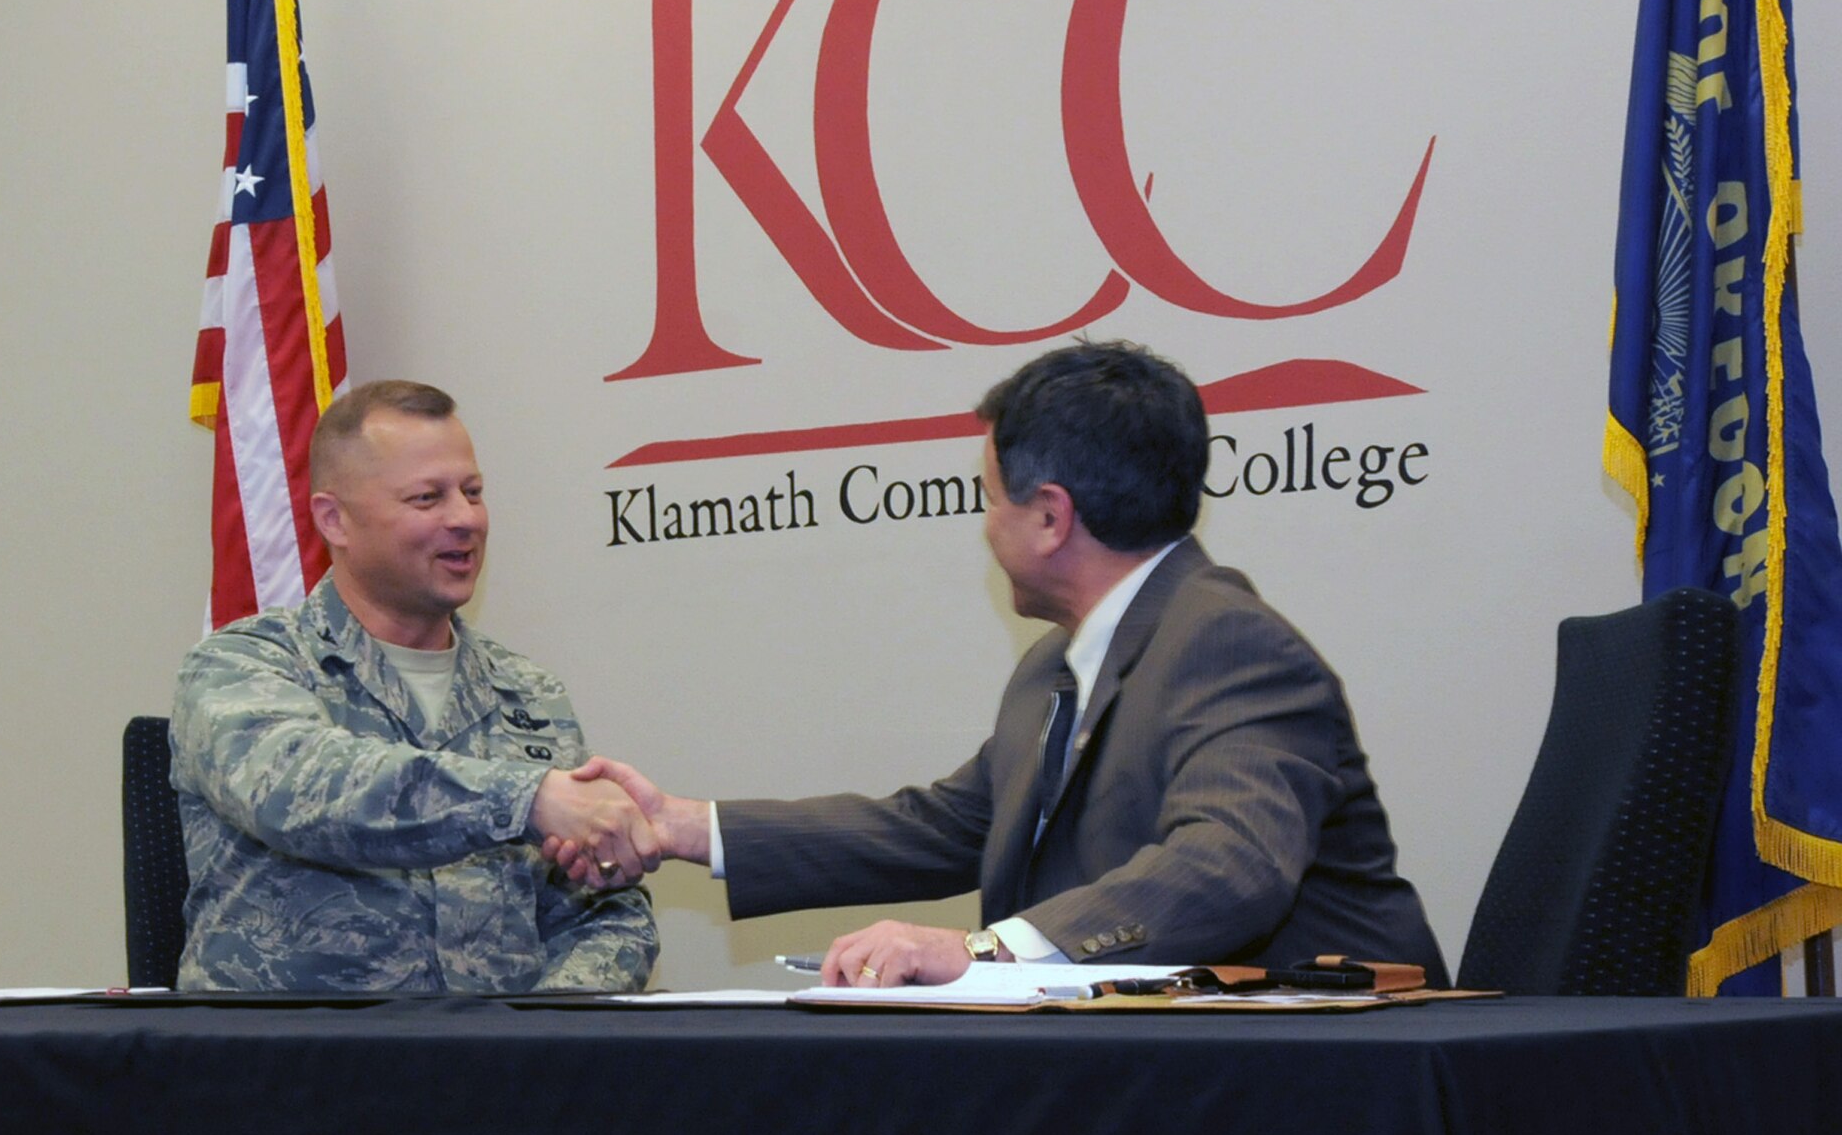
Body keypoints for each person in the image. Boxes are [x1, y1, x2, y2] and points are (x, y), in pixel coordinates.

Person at [552, 340, 1446, 988]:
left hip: (1323, 1088)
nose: (983, 527)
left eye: (988, 498)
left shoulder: (1229, 643)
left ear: (1051, 517)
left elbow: (1230, 865)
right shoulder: (1055, 669)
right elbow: (939, 829)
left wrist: (983, 952)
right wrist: (681, 827)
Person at [171, 380, 660, 992]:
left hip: (500, 1068)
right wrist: (527, 799)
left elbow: (606, 910)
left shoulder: (526, 693)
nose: (465, 519)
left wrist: (548, 1030)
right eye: (427, 498)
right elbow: (297, 791)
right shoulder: (243, 665)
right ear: (335, 519)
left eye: (473, 492)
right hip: (296, 1071)